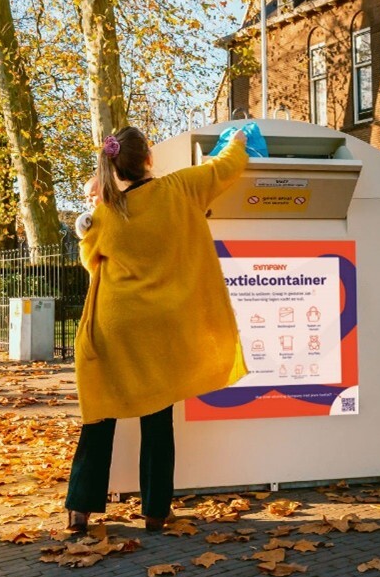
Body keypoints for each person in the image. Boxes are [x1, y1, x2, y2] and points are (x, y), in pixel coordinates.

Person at [66, 125, 250, 534]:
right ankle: (154, 512)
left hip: (113, 327)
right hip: (160, 329)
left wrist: (89, 215)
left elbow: (89, 259)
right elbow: (227, 167)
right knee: (157, 417)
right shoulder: (183, 188)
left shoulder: (106, 213)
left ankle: (79, 510)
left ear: (114, 167)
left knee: (98, 416)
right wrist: (238, 140)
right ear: (149, 159)